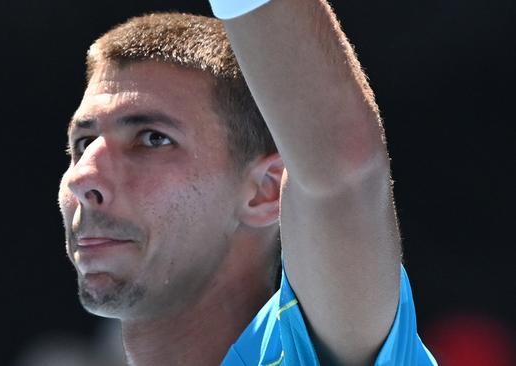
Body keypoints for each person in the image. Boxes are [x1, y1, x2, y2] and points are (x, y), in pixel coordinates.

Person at [57, 0, 437, 365]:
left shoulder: (305, 351)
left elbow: (342, 171)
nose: (83, 177)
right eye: (84, 143)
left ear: (265, 190)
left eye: (153, 139)